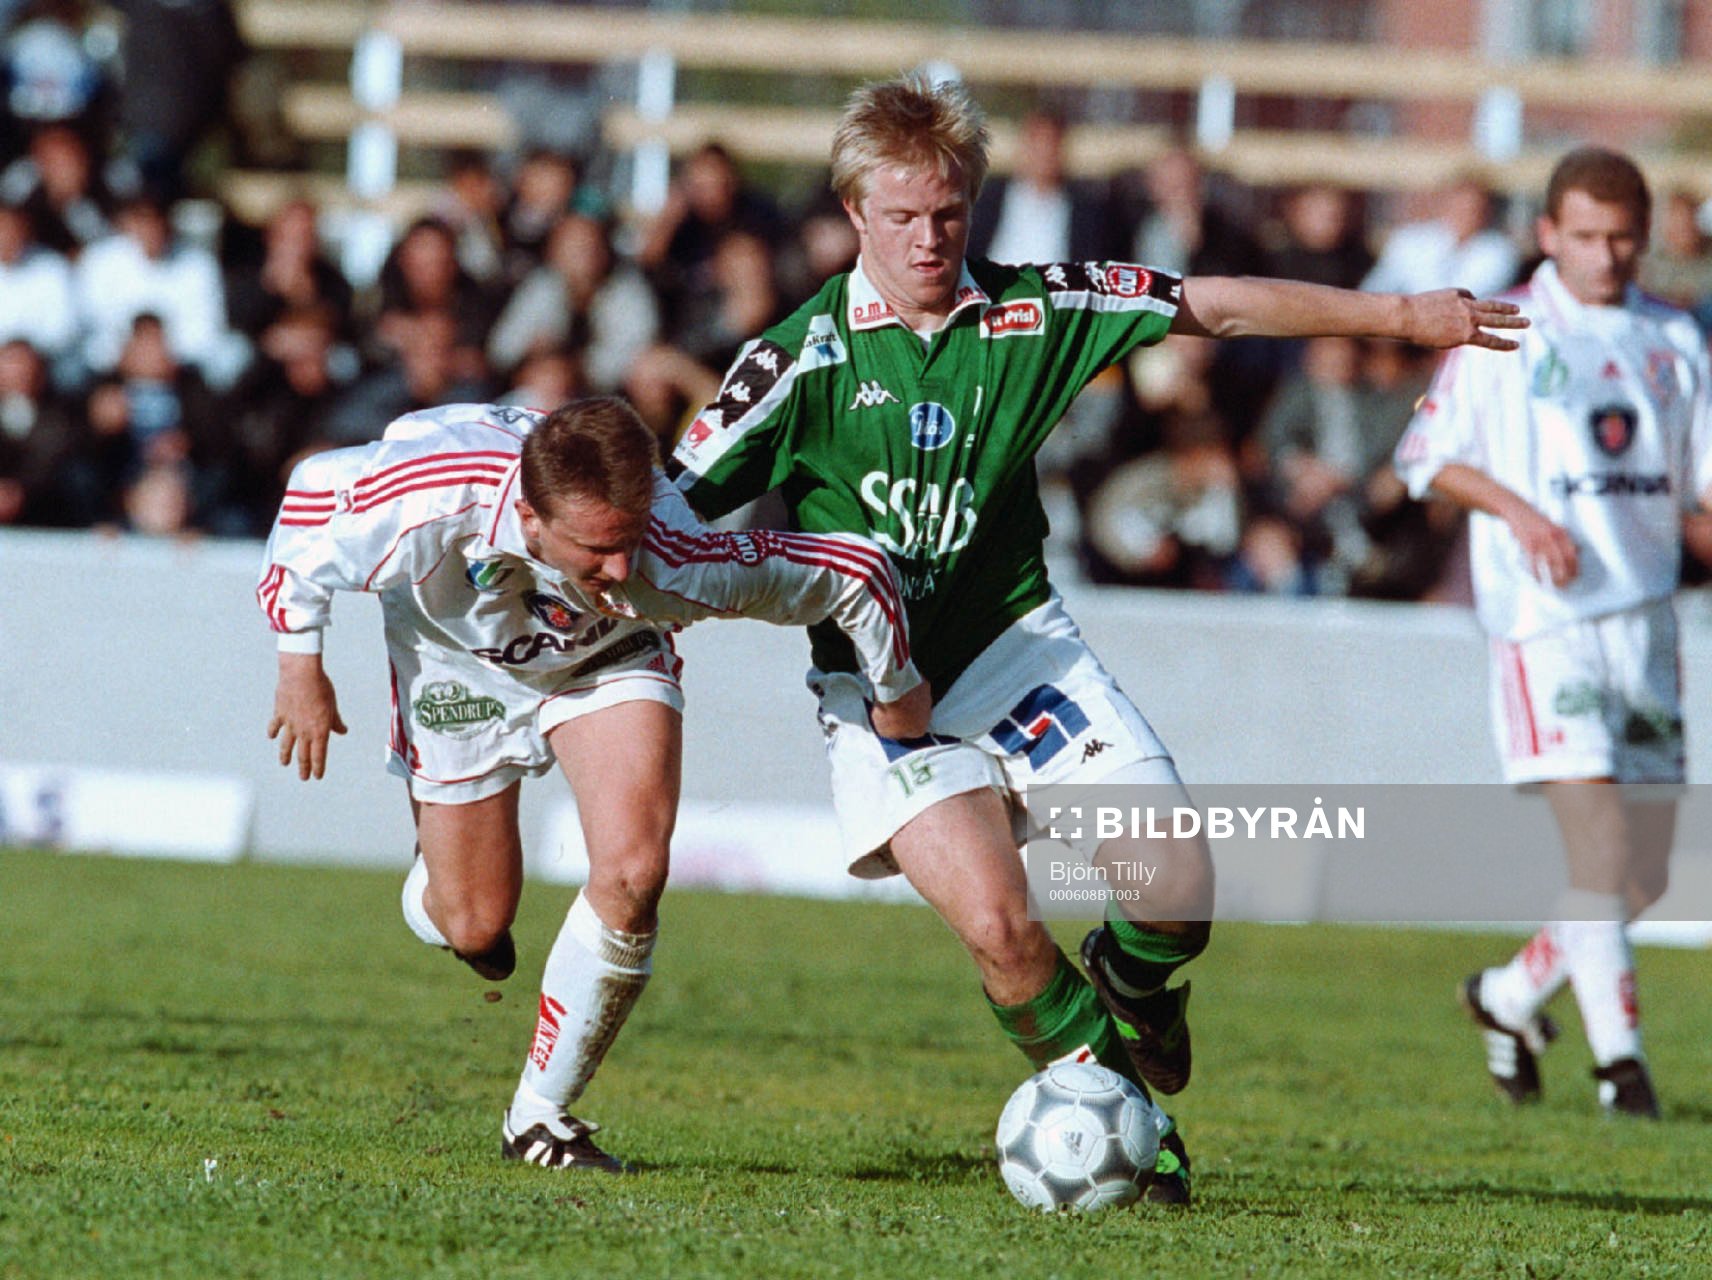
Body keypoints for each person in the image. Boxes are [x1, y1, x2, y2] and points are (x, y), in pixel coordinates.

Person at [669, 72, 1524, 1205]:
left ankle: (1135, 977)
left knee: (1175, 882)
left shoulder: (1036, 308)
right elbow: (664, 515)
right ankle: (1130, 1118)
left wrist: (1404, 316)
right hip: (879, 692)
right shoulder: (796, 360)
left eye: (947, 215)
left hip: (1016, 646)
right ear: (849, 212)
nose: (928, 239)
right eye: (899, 217)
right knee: (999, 927)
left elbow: (1207, 303)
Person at [257, 396, 928, 1170]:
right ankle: (440, 884)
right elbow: (310, 497)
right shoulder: (436, 491)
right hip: (454, 656)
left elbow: (855, 570)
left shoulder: (668, 558)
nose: (618, 569)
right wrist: (299, 664)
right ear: (533, 520)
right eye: (597, 550)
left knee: (635, 868)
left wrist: (897, 684)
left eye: (628, 541)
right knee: (473, 923)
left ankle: (539, 1117)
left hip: (609, 658)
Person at [1393, 147, 1712, 1118]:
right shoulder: (1502, 329)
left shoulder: (1676, 336)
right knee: (1597, 844)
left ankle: (1506, 994)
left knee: (1646, 876)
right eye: (1583, 235)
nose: (1605, 255)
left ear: (1643, 235)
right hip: (1545, 624)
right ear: (1545, 235)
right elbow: (1424, 455)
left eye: (1621, 237)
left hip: (1642, 619)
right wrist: (1520, 514)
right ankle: (1622, 1070)